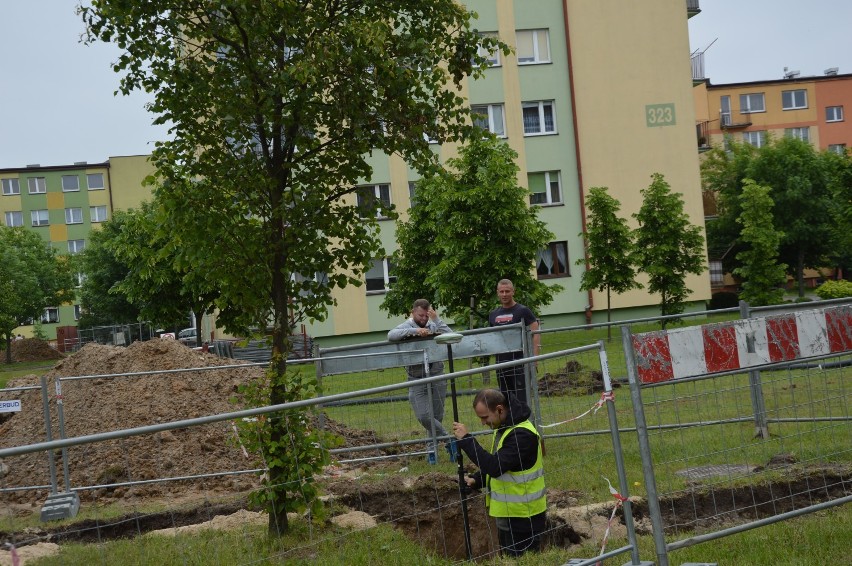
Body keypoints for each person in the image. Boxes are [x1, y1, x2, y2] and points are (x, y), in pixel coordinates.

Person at [452, 388, 546, 557]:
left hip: (524, 518)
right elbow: (507, 466)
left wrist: (467, 440)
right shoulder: (506, 428)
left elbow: (496, 466)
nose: (483, 422)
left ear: (500, 409)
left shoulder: (522, 435)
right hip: (511, 515)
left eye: (484, 417)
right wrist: (477, 480)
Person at [388, 298, 457, 462]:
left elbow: (452, 336)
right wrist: (415, 332)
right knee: (424, 416)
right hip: (416, 377)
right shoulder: (407, 326)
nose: (424, 319)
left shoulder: (433, 324)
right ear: (413, 313)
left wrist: (437, 320)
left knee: (437, 415)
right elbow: (391, 335)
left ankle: (432, 454)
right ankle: (449, 440)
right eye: (421, 316)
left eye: (426, 316)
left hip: (437, 374)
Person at [488, 279, 540, 406]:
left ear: (513, 292)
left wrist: (535, 358)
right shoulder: (493, 315)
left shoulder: (523, 311)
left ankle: (524, 424)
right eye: (502, 292)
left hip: (520, 363)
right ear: (498, 293)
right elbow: (492, 337)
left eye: (507, 291)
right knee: (505, 399)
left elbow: (536, 332)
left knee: (522, 400)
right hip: (501, 364)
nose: (504, 294)